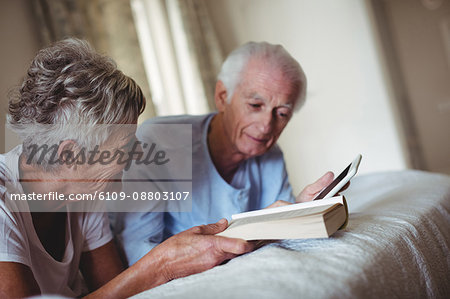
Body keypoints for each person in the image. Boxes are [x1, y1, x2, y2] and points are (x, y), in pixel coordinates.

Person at [0, 38, 253, 298]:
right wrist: (162, 264)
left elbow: (116, 289)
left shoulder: (84, 189)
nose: (139, 152)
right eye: (126, 143)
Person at [114, 42, 336, 265]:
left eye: (282, 113)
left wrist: (301, 210)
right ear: (222, 96)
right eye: (255, 105)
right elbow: (135, 253)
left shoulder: (271, 156)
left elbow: (280, 238)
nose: (266, 125)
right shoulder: (157, 140)